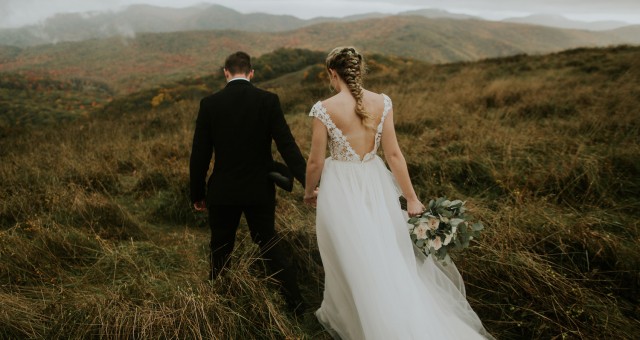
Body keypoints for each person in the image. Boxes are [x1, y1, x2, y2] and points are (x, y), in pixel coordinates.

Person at [304, 47, 493, 339]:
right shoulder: (382, 102)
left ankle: (363, 319)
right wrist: (412, 198)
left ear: (333, 73)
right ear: (359, 70)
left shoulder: (324, 109)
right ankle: (387, 309)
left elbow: (315, 161)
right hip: (375, 183)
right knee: (383, 251)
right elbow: (393, 154)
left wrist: (308, 192)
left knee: (347, 254)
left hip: (341, 187)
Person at [189, 51, 307, 314]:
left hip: (223, 191)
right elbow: (287, 145)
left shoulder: (210, 104)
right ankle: (296, 304)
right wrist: (308, 181)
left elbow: (200, 155)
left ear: (225, 72)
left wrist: (197, 193)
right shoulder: (268, 101)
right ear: (251, 73)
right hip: (258, 190)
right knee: (269, 244)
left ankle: (215, 306)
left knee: (220, 248)